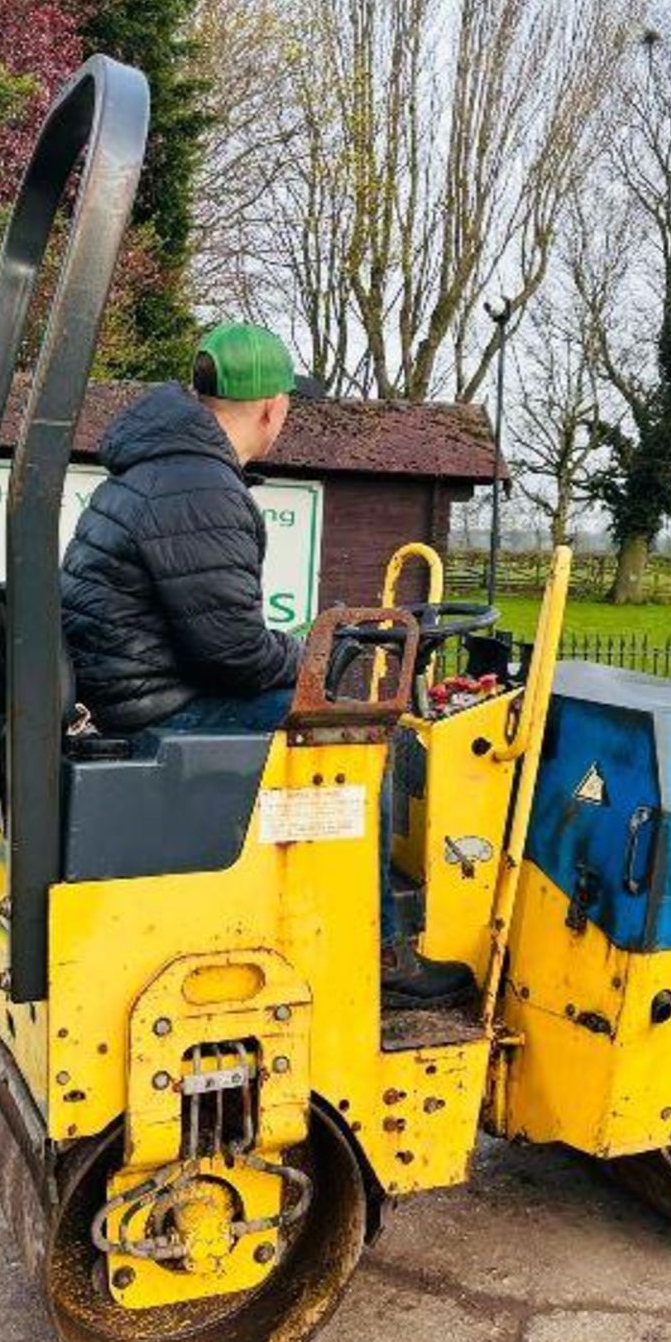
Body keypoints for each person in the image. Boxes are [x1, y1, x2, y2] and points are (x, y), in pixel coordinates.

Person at [60, 323, 472, 1009]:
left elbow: (216, 632)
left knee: (330, 712)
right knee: (369, 739)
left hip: (137, 691)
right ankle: (383, 952)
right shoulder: (200, 485)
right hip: (168, 706)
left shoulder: (157, 471)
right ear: (272, 409)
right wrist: (317, 652)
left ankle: (322, 907)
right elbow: (232, 653)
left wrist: (304, 650)